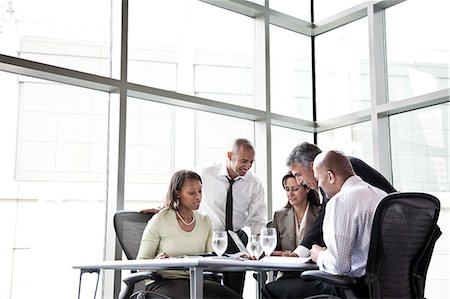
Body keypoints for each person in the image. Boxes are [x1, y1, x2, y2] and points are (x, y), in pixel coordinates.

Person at [262, 150, 388, 298]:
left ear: (330, 176)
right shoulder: (381, 196)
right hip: (385, 287)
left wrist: (319, 255)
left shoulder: (341, 200)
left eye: (319, 179)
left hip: (352, 287)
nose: (319, 186)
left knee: (270, 289)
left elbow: (339, 266)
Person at [136, 170, 241, 299]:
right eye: (192, 192)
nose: (198, 196)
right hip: (163, 283)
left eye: (200, 191)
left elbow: (211, 259)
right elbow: (141, 264)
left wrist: (236, 258)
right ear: (178, 193)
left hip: (196, 280)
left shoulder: (205, 221)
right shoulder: (160, 220)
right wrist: (157, 263)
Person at [285, 142, 396, 258]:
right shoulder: (335, 178)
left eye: (298, 175)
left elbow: (340, 263)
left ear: (313, 166)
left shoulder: (344, 174)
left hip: (386, 253)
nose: (299, 181)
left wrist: (320, 255)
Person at [200, 138, 267, 296]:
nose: (248, 166)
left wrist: (258, 243)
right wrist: (164, 208)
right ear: (230, 155)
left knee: (234, 293)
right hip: (210, 237)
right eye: (244, 160)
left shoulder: (254, 184)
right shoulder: (205, 173)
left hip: (237, 239)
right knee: (210, 290)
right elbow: (183, 190)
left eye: (251, 162)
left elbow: (257, 219)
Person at [271, 171, 321, 255]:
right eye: (287, 189)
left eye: (295, 189)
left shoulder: (320, 214)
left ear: (307, 188)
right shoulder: (279, 216)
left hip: (313, 266)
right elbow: (271, 250)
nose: (290, 194)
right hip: (287, 266)